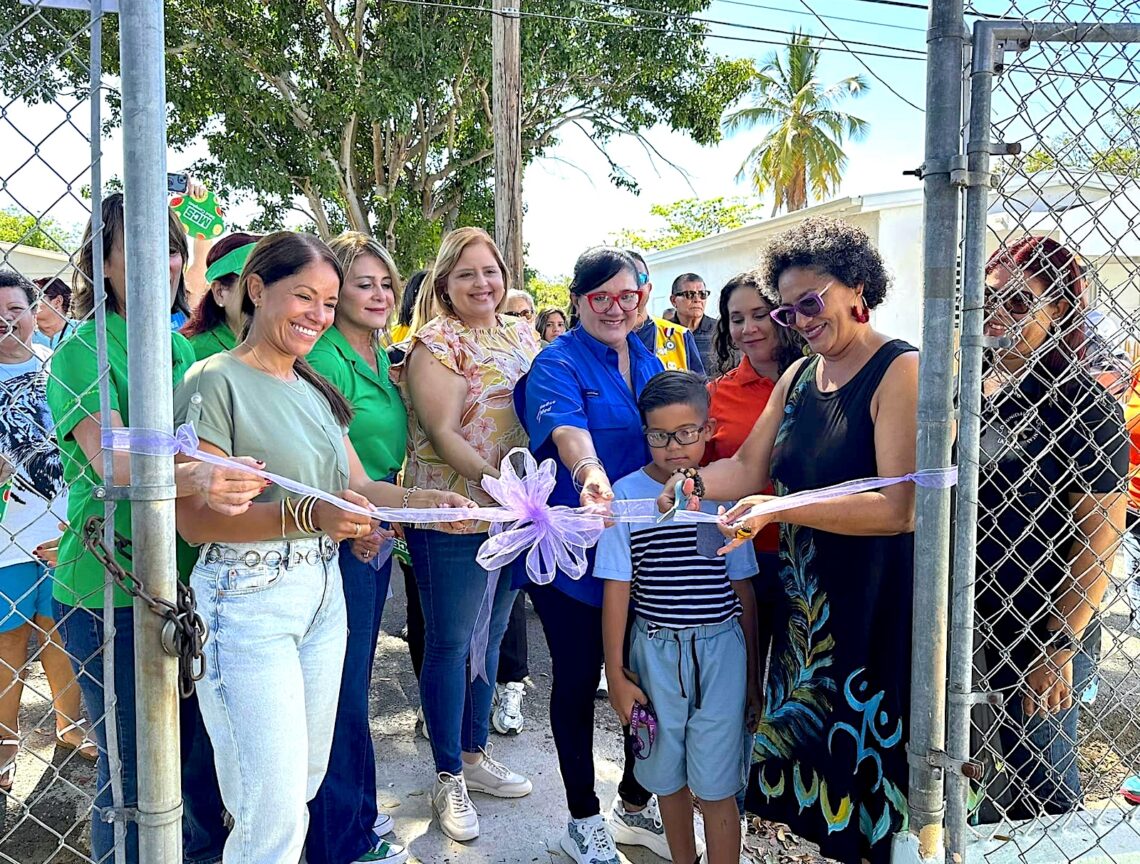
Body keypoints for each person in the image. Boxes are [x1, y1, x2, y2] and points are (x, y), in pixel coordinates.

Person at [173, 231, 472, 864]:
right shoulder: (213, 380)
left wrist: (424, 505)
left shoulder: (313, 389)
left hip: (320, 593)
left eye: (329, 302)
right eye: (303, 296)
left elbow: (358, 486)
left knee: (304, 782)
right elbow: (198, 522)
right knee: (271, 807)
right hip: (246, 600)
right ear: (256, 290)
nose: (318, 314)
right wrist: (314, 514)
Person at [661, 218, 919, 864]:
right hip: (812, 622)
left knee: (877, 798)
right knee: (831, 800)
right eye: (789, 308)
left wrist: (783, 507)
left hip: (871, 611)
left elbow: (899, 507)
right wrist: (684, 483)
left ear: (856, 287)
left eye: (812, 302)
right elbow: (747, 469)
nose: (800, 320)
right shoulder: (800, 379)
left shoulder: (898, 370)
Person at [46, 193, 266, 864]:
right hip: (110, 585)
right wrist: (196, 474)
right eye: (136, 250)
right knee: (134, 775)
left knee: (198, 765)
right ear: (99, 263)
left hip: (189, 582)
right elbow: (112, 463)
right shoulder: (82, 347)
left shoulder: (179, 345)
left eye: (169, 248)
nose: (160, 263)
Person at [520, 246, 670, 864]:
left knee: (646, 674)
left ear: (642, 297)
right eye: (599, 297)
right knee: (580, 678)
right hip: (576, 555)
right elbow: (567, 430)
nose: (614, 308)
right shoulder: (555, 361)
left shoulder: (649, 357)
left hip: (643, 549)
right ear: (579, 300)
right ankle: (582, 818)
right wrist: (590, 473)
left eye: (626, 296)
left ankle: (633, 803)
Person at [974, 236, 1126, 819]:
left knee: (1040, 774)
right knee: (973, 778)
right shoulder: (966, 393)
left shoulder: (1082, 405)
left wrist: (1058, 644)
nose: (996, 316)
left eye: (1018, 304)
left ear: (1058, 310)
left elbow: (1099, 539)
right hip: (967, 613)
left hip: (1039, 622)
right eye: (989, 300)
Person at [402, 227, 537, 843]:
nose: (482, 284)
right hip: (457, 509)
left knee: (495, 630)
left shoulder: (520, 333)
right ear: (444, 284)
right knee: (453, 641)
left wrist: (524, 494)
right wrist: (502, 481)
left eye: (490, 271)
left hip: (517, 512)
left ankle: (477, 755)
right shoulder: (437, 341)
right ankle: (447, 770)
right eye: (466, 275)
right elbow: (443, 432)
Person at [598, 370, 759, 864]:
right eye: (659, 435)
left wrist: (753, 676)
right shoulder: (625, 496)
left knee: (717, 787)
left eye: (687, 432)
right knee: (666, 775)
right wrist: (616, 675)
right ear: (644, 433)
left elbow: (743, 588)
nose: (673, 447)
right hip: (654, 653)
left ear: (708, 429)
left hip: (722, 653)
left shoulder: (724, 491)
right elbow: (617, 589)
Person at [305, 231, 410, 864]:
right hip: (343, 535)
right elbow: (334, 467)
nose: (378, 294)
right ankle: (338, 842)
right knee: (339, 694)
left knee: (354, 687)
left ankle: (358, 822)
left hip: (377, 532)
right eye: (362, 282)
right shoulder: (326, 355)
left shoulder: (377, 353)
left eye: (386, 283)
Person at [0, 270, 94, 796]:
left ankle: (69, 723)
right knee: (8, 640)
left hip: (65, 527)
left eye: (14, 308)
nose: (5, 320)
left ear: (34, 312)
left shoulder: (57, 366)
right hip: (6, 537)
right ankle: (4, 743)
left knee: (61, 631)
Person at [180, 231, 262, 360]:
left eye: (276, 282)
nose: (271, 295)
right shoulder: (196, 356)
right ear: (220, 292)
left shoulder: (296, 346)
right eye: (254, 286)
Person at [626, 251, 705, 377]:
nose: (631, 286)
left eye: (639, 278)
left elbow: (699, 392)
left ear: (649, 287)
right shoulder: (599, 337)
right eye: (623, 279)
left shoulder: (679, 336)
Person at [663, 273, 718, 374]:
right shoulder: (663, 333)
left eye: (702, 294)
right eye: (689, 295)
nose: (697, 300)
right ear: (674, 300)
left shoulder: (720, 330)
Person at [32, 277, 74, 350]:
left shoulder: (84, 330)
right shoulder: (23, 335)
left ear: (57, 301)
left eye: (35, 297)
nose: (28, 302)